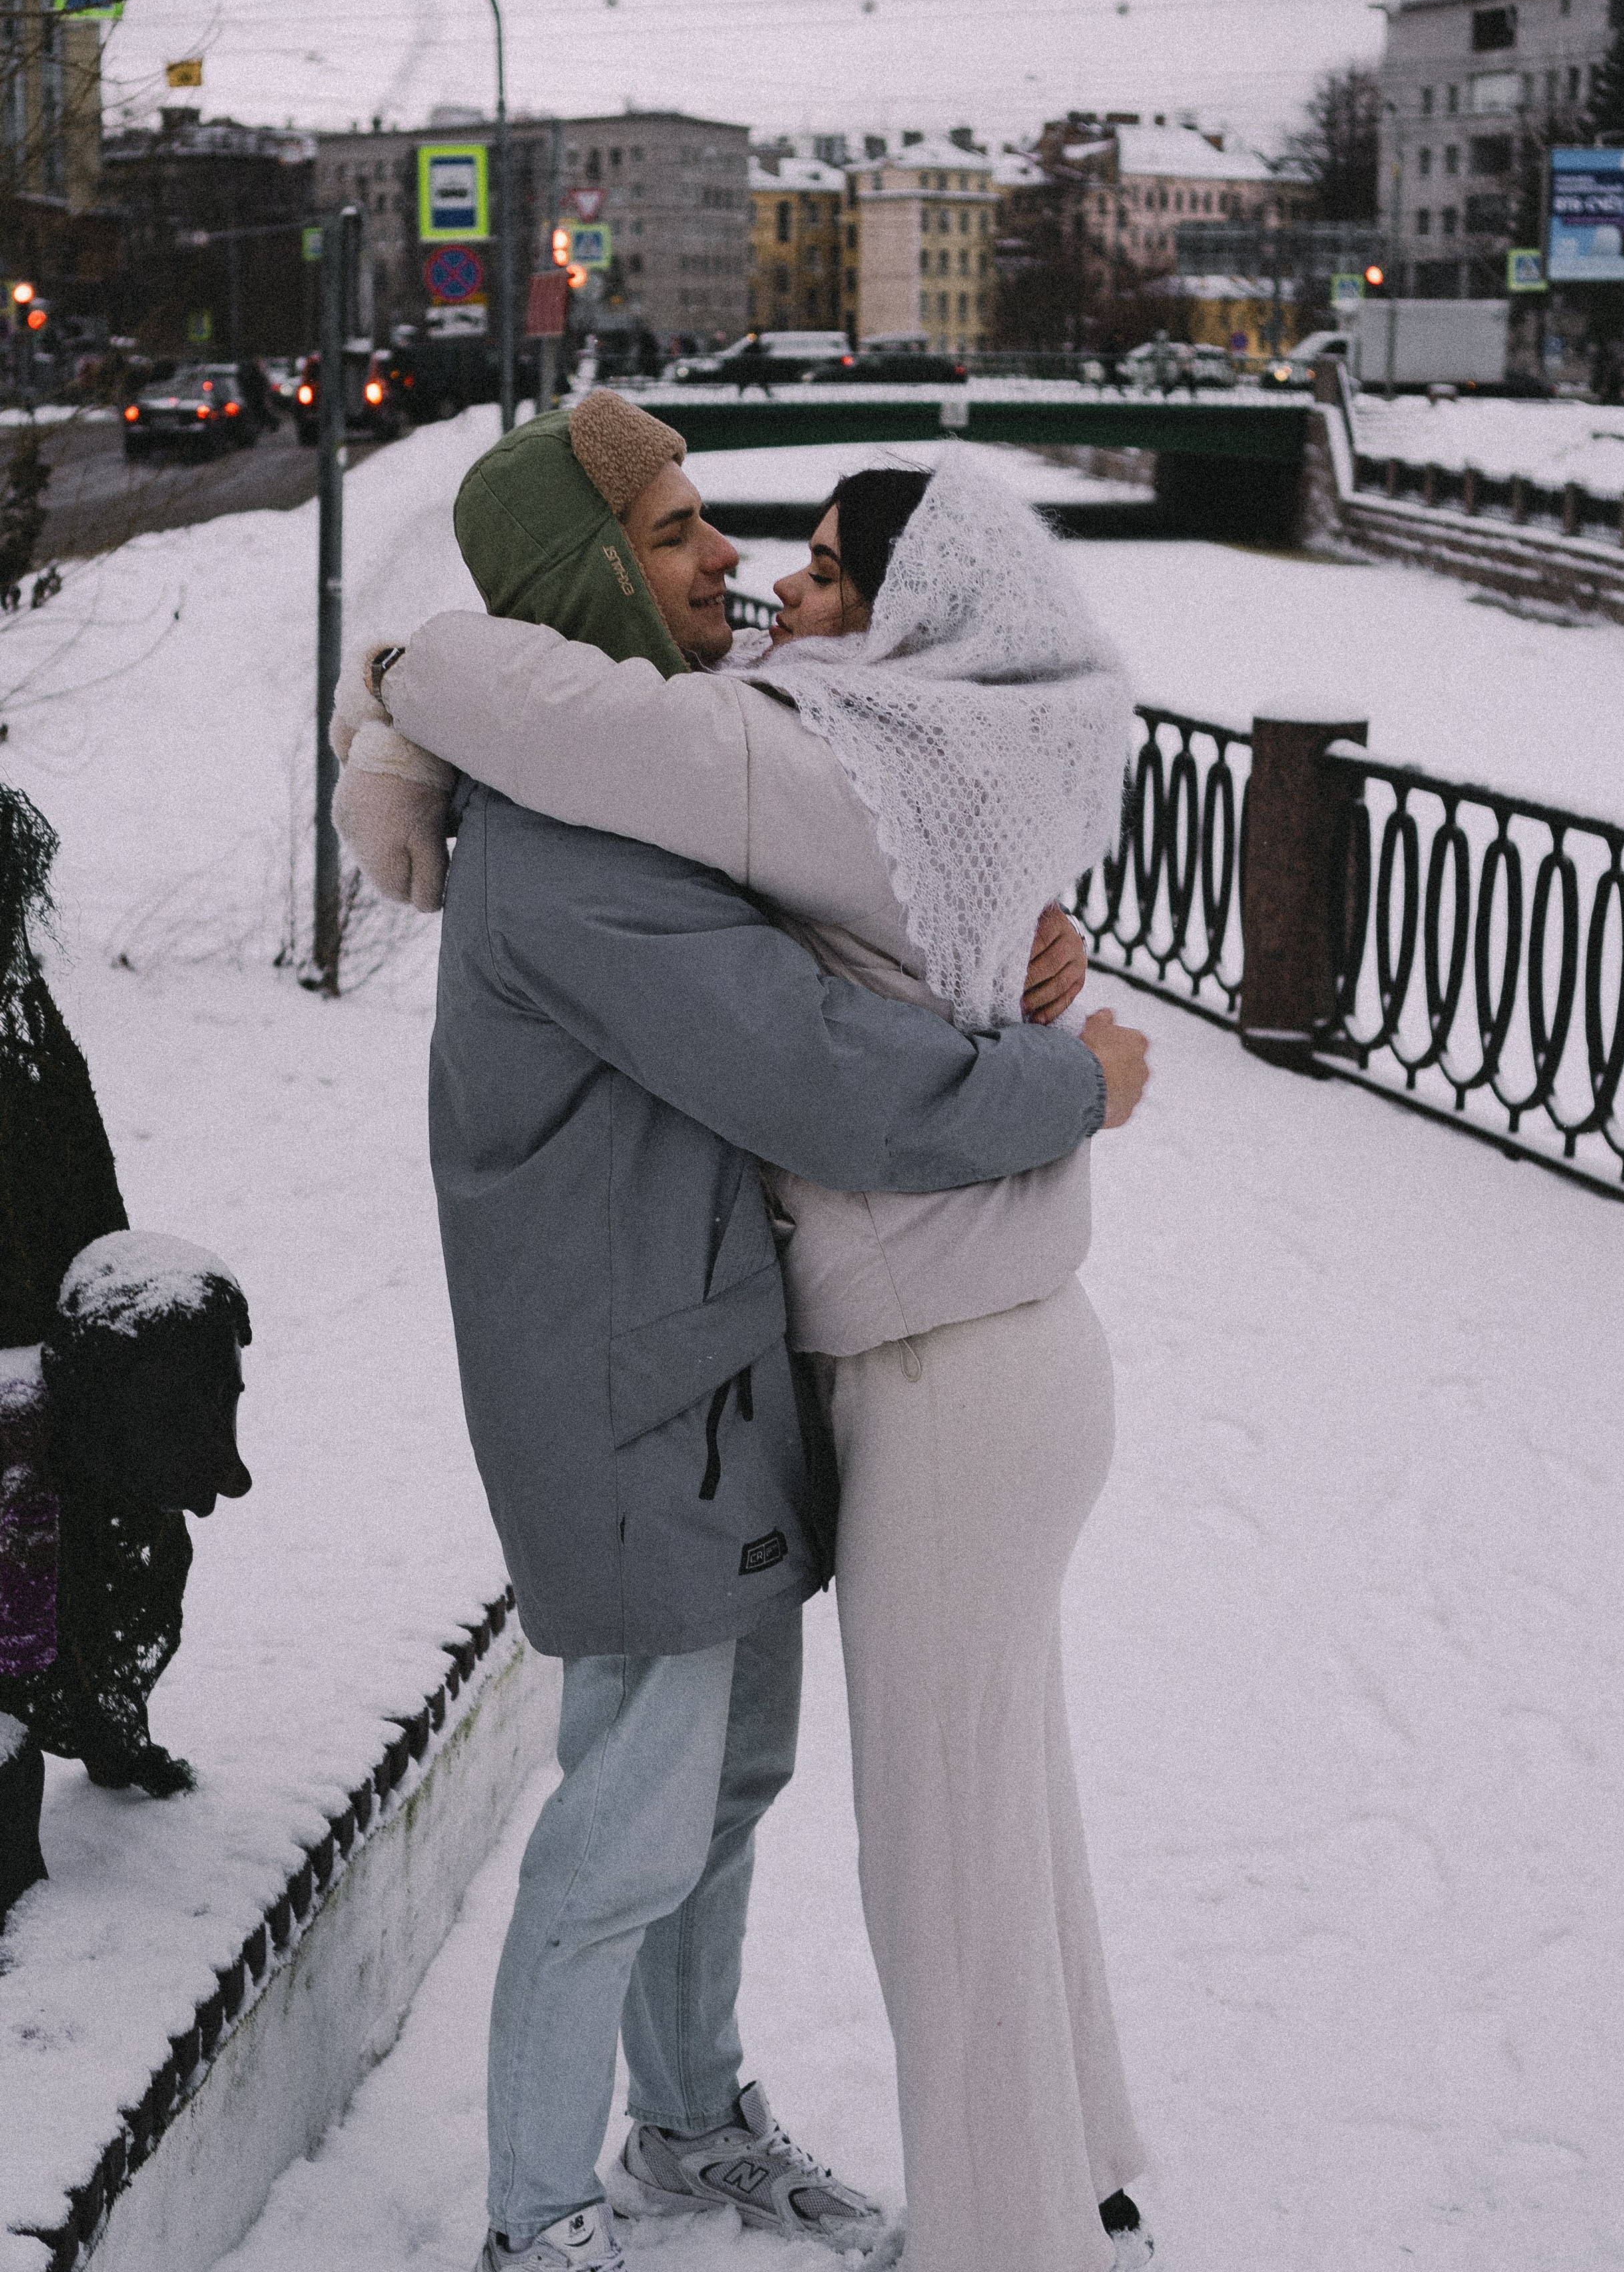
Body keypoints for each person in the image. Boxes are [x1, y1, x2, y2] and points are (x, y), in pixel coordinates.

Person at [332, 395, 1153, 2272]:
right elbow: (811, 1063)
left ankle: (689, 2127)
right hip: (628, 1399)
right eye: (686, 530)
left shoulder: (670, 772)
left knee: (725, 1783)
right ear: (591, 566)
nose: (738, 567)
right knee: (626, 1820)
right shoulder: (572, 841)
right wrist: (1058, 1075)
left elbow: (863, 889)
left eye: (741, 533)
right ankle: (539, 2215)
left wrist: (1013, 937)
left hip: (721, 1378)